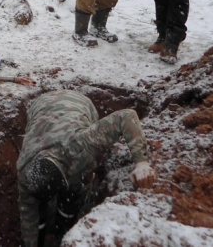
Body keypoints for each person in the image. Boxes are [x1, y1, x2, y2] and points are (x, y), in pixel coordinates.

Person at [17, 90, 156, 247]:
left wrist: (141, 162)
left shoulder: (81, 145)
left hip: (79, 103)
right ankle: (48, 230)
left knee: (72, 191)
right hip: (40, 105)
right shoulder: (25, 172)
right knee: (37, 210)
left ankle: (65, 231)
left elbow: (127, 116)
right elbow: (28, 213)